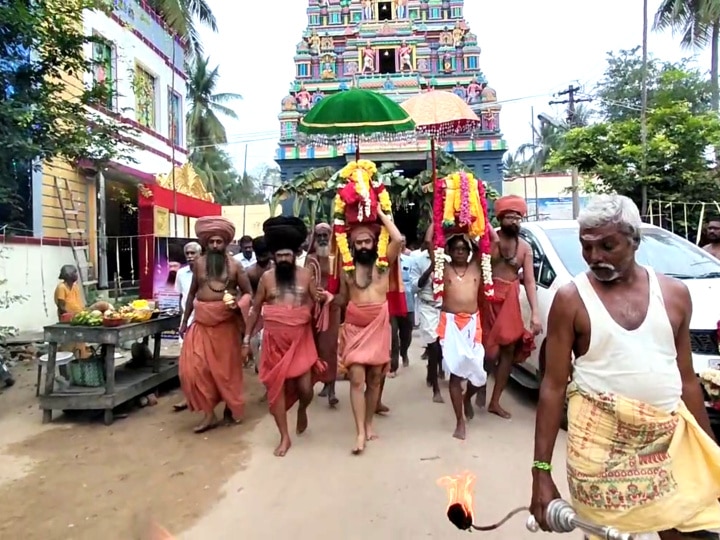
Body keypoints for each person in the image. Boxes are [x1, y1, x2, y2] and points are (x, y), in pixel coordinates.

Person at [530, 194, 720, 540]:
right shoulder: (571, 299)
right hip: (599, 452)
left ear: (635, 241)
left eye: (607, 245)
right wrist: (541, 473)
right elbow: (553, 386)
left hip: (667, 440)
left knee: (683, 527)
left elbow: (687, 381)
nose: (594, 257)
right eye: (586, 247)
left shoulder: (675, 294)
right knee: (610, 534)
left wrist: (711, 457)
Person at [243, 216, 330, 457]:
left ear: (294, 255)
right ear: (273, 257)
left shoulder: (305, 276)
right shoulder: (266, 279)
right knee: (275, 391)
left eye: (287, 256)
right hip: (273, 343)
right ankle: (284, 437)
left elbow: (317, 299)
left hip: (300, 341)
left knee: (305, 389)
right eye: (279, 256)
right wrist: (246, 340)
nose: (283, 259)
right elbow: (254, 308)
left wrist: (325, 298)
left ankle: (302, 409)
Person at [178, 217, 253, 433]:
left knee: (226, 371)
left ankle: (230, 405)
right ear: (206, 244)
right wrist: (185, 321)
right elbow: (192, 292)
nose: (215, 246)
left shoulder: (236, 266)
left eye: (219, 242)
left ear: (226, 243)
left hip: (225, 325)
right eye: (211, 242)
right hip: (201, 322)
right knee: (193, 370)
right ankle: (209, 414)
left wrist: (238, 305)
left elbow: (248, 293)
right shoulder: (199, 264)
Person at [338, 210, 403, 455]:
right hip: (355, 327)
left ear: (374, 243)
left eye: (367, 241)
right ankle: (359, 433)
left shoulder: (383, 264)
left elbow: (398, 239)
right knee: (356, 378)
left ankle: (368, 424)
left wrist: (380, 214)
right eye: (359, 242)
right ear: (352, 246)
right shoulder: (347, 269)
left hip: (378, 325)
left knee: (375, 378)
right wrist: (326, 299)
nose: (364, 246)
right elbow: (343, 300)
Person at [482, 195, 541, 419]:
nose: (514, 222)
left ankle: (495, 401)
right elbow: (480, 266)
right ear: (500, 218)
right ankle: (477, 389)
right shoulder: (489, 240)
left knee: (507, 350)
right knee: (486, 351)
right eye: (509, 217)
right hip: (487, 298)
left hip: (510, 301)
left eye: (517, 218)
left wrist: (535, 314)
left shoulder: (524, 247)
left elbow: (530, 282)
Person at [432, 231, 495, 440]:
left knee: (478, 376)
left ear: (470, 252)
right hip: (450, 325)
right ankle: (460, 421)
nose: (460, 251)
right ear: (449, 251)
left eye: (464, 248)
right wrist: (443, 221)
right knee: (455, 374)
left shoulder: (477, 266)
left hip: (471, 325)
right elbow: (429, 240)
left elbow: (492, 241)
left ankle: (467, 398)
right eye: (456, 248)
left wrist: (475, 224)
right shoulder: (444, 267)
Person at [305, 222, 342, 407]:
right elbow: (305, 281)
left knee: (330, 347)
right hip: (313, 308)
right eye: (318, 236)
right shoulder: (310, 258)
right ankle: (317, 384)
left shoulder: (337, 258)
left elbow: (343, 285)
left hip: (332, 307)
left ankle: (332, 388)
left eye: (324, 236)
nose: (321, 239)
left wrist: (331, 297)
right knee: (314, 348)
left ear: (330, 237)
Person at [409, 231, 444, 403]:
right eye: (433, 241)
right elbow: (414, 288)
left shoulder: (449, 257)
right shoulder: (418, 259)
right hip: (427, 307)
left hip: (445, 308)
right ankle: (436, 388)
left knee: (442, 349)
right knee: (434, 347)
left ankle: (435, 371)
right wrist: (431, 269)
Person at [172, 241, 201, 413]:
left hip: (205, 321)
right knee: (185, 363)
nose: (190, 256)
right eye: (188, 253)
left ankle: (204, 396)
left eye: (193, 253)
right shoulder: (181, 273)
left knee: (201, 362)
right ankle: (188, 396)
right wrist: (182, 321)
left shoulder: (207, 271)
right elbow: (181, 297)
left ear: (200, 254)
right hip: (187, 321)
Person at [243, 235, 273, 374]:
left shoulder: (276, 270)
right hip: (256, 313)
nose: (262, 258)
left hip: (274, 313)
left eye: (264, 255)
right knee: (255, 346)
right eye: (259, 255)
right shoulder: (249, 272)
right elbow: (246, 294)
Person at [389, 236, 414, 378]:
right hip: (392, 304)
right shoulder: (385, 262)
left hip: (407, 303)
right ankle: (393, 365)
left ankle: (404, 352)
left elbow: (415, 281)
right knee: (392, 335)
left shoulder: (410, 261)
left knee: (407, 333)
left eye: (402, 242)